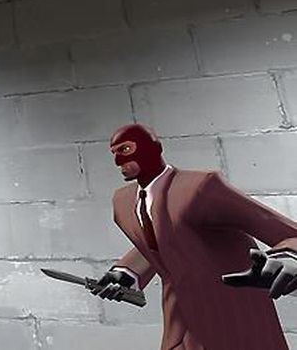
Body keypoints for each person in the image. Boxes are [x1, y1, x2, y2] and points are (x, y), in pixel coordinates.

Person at [92, 123, 297, 350]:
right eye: (114, 153)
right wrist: (126, 273)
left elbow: (279, 229)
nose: (118, 161)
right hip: (179, 319)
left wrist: (288, 258)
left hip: (233, 312)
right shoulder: (123, 202)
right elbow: (164, 240)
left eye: (125, 150)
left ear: (154, 148)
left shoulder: (200, 187)